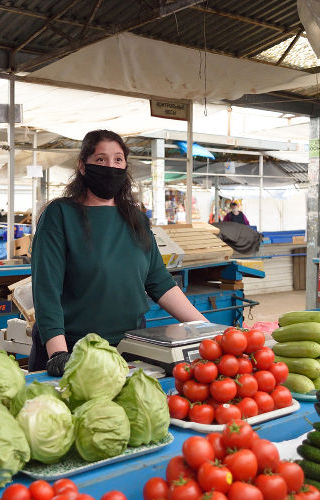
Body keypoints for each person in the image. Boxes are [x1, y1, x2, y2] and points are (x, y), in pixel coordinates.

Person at [31, 130, 208, 376]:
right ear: (83, 166)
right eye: (101, 159)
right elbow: (46, 289)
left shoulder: (135, 219)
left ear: (125, 166)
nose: (110, 166)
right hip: (74, 350)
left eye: (118, 159)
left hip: (128, 348)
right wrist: (58, 353)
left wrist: (208, 330)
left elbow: (159, 282)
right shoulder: (60, 215)